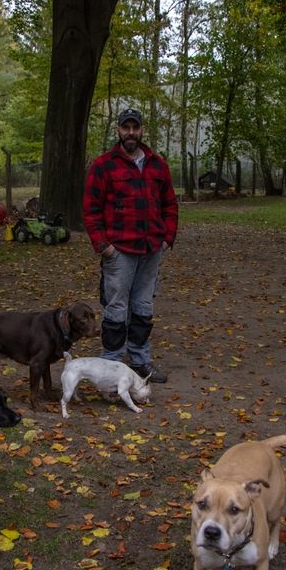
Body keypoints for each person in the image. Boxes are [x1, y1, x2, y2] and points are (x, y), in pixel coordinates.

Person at [83, 108, 178, 383]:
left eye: (135, 128)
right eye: (126, 128)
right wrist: (104, 246)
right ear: (118, 131)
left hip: (151, 249)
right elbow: (91, 210)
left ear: (142, 130)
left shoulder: (157, 165)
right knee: (116, 307)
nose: (131, 133)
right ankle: (110, 363)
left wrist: (166, 236)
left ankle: (140, 360)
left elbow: (170, 204)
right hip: (120, 251)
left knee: (143, 306)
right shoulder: (104, 166)